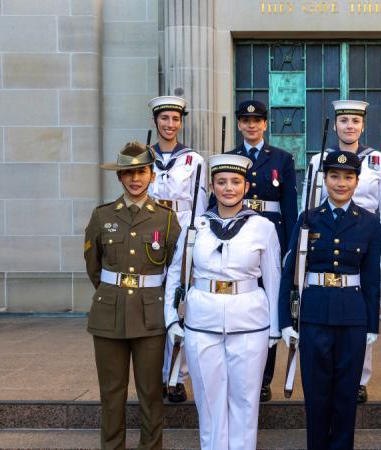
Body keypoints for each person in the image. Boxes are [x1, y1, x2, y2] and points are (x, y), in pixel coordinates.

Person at [164, 153, 281, 450]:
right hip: (202, 321)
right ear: (213, 188)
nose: (229, 188)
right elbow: (177, 273)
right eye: (221, 182)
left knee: (245, 401)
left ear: (246, 186)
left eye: (235, 182)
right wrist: (171, 318)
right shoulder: (196, 226)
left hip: (249, 322)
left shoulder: (263, 227)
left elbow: (274, 278)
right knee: (209, 402)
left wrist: (276, 330)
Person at [280, 150, 381, 449]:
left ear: (357, 181)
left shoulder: (368, 222)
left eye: (348, 177)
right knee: (316, 395)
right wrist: (287, 320)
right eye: (334, 176)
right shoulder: (308, 219)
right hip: (313, 314)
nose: (341, 183)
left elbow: (371, 276)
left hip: (352, 316)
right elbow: (291, 272)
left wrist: (371, 324)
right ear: (324, 179)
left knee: (346, 396)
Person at [83, 141, 181, 450]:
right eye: (128, 173)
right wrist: (114, 292)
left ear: (152, 175)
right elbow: (94, 267)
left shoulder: (166, 218)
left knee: (151, 392)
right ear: (119, 177)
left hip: (151, 314)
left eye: (141, 171)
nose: (134, 178)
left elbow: (175, 269)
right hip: (109, 312)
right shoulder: (102, 216)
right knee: (111, 392)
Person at [301, 99, 381, 403]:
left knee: (361, 307)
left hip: (364, 240)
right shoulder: (319, 161)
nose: (349, 126)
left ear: (363, 125)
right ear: (336, 124)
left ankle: (359, 378)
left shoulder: (377, 160)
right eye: (344, 121)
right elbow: (308, 202)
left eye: (355, 121)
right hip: (326, 234)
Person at [214, 99, 298, 402]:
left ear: (265, 124)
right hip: (236, 240)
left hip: (270, 235)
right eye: (246, 120)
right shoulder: (229, 157)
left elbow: (289, 206)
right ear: (239, 124)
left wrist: (291, 247)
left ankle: (263, 378)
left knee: (269, 303)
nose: (251, 125)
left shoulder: (281, 159)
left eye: (257, 120)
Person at [146, 95, 206, 403]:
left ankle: (177, 376)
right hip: (151, 230)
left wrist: (195, 241)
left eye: (176, 119)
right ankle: (153, 374)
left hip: (182, 230)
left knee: (180, 302)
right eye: (165, 118)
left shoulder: (192, 159)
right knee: (154, 301)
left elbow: (201, 203)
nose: (170, 124)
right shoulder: (143, 155)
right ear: (155, 121)